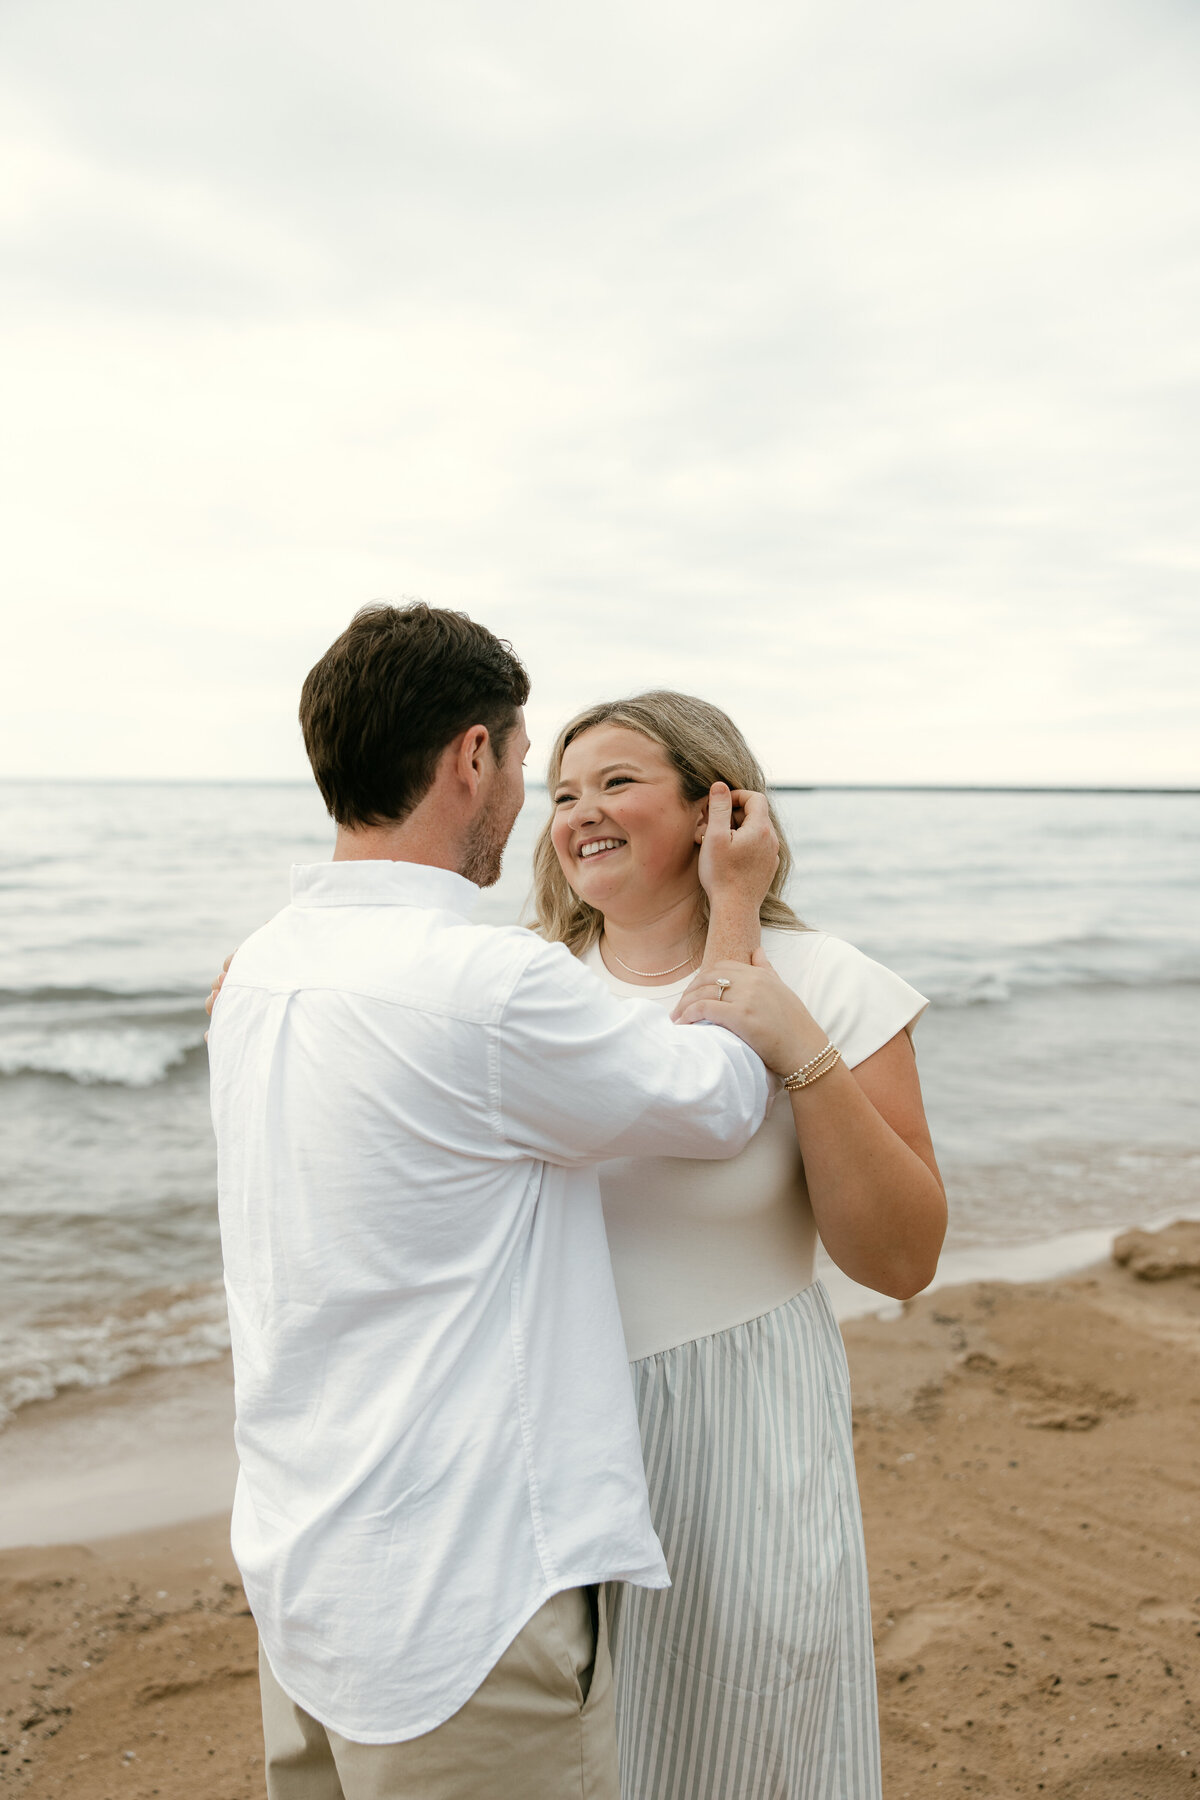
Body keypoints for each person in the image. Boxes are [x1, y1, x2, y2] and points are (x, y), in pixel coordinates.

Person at [206, 605, 792, 1800]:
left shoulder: (258, 968)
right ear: (471, 756)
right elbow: (720, 1101)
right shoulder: (486, 985)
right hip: (461, 1594)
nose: (534, 799)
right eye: (528, 765)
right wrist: (736, 899)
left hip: (301, 1566)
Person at [532, 691, 947, 1800]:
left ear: (722, 805)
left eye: (618, 782)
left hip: (739, 1415)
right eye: (562, 792)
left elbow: (902, 1260)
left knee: (749, 1745)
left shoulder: (830, 982)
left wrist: (798, 1048)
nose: (582, 814)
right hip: (541, 1422)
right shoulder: (525, 988)